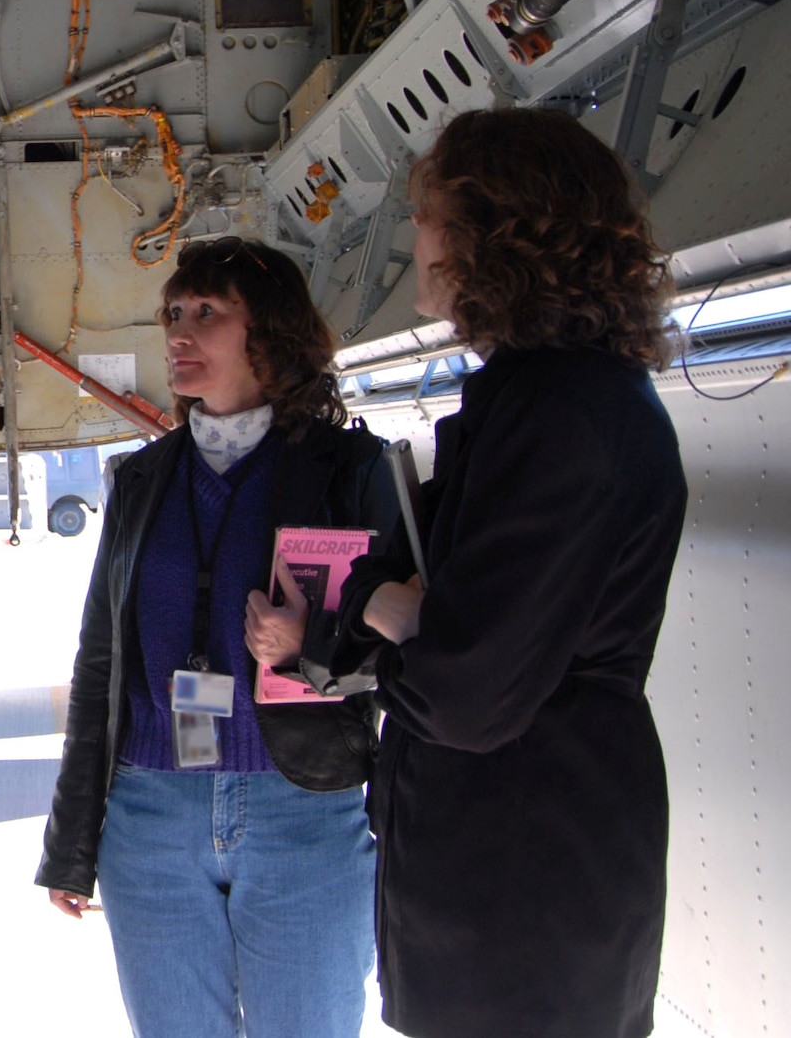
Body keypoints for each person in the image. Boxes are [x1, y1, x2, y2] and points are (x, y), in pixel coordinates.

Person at [342, 108, 686, 1038]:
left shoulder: (560, 412)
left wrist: (389, 605)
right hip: (517, 887)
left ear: (488, 232)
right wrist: (415, 613)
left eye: (427, 214)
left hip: (530, 900)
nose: (414, 235)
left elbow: (466, 692)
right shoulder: (553, 397)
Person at [37, 236, 396, 1037]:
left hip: (301, 806)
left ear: (267, 336)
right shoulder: (142, 480)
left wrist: (314, 639)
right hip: (151, 815)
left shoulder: (349, 469)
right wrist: (72, 840)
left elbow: (411, 644)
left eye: (207, 313)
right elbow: (100, 663)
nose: (179, 334)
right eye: (173, 314)